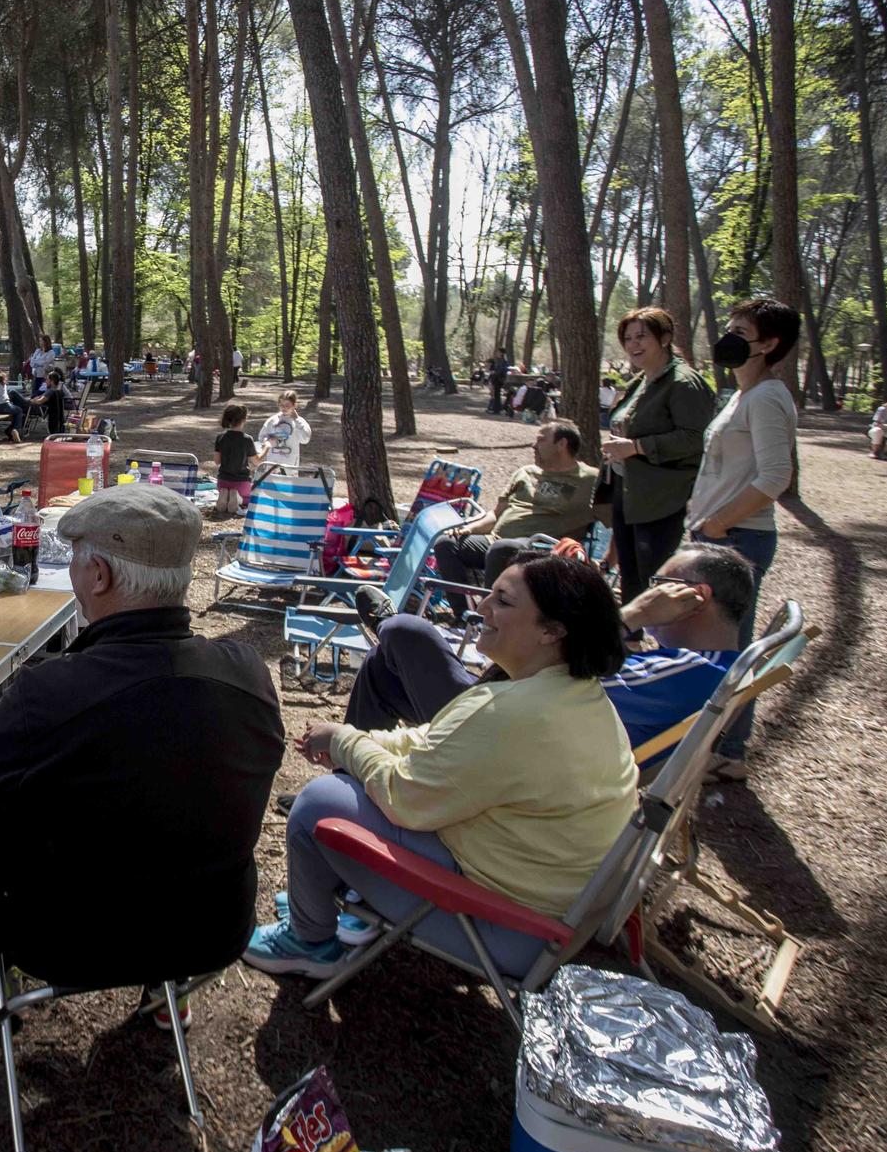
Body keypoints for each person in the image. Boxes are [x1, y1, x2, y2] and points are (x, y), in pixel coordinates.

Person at [0, 483, 285, 1012]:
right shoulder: (248, 673)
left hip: (68, 940)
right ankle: (170, 989)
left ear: (100, 576)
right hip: (211, 929)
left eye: (76, 559)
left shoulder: (48, 695)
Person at [245, 555, 637, 981]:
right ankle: (320, 897)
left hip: (509, 927)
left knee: (318, 805)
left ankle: (309, 940)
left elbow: (405, 796)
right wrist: (357, 742)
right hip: (551, 912)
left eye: (502, 602)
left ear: (552, 630)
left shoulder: (516, 713)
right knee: (353, 778)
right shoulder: (573, 694)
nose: (482, 607)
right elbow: (437, 745)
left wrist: (345, 743)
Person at [345, 545, 752, 775]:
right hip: (528, 730)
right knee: (385, 667)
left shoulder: (695, 671)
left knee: (408, 633)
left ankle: (388, 628)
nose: (649, 592)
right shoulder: (694, 666)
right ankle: (348, 772)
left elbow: (557, 678)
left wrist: (633, 615)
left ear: (696, 597)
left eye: (659, 585)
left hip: (515, 743)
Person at [688, 296, 800, 774]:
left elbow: (776, 476)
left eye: (742, 330)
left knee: (727, 646)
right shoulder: (740, 395)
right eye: (730, 326)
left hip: (737, 539)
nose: (729, 337)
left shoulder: (769, 397)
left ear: (769, 344)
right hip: (711, 538)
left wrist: (720, 524)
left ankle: (729, 751)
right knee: (705, 642)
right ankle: (706, 740)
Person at [601, 307, 718, 603]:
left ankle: (669, 642)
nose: (633, 345)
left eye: (642, 337)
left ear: (664, 338)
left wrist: (637, 447)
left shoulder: (684, 383)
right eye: (627, 339)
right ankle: (630, 640)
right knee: (630, 574)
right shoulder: (639, 382)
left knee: (655, 575)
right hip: (627, 491)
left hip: (661, 497)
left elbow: (695, 438)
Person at [434, 420, 601, 593]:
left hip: (543, 550)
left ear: (562, 444)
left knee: (503, 548)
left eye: (541, 440)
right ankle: (463, 614)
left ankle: (490, 617)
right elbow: (496, 514)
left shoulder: (590, 480)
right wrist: (469, 528)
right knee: (446, 543)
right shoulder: (525, 472)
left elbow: (616, 521)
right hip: (496, 542)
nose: (533, 445)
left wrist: (605, 563)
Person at [214, 402, 258, 517]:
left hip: (222, 481)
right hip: (241, 483)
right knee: (250, 499)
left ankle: (225, 495)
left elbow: (217, 461)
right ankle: (238, 499)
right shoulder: (247, 439)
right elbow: (256, 462)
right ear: (244, 419)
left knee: (226, 488)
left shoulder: (220, 437)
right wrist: (267, 447)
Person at [255, 389, 313, 470]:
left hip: (290, 464)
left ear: (294, 405)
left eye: (287, 405)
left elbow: (305, 439)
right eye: (281, 405)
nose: (284, 408)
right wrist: (267, 440)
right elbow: (261, 437)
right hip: (272, 463)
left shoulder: (299, 421)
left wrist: (297, 420)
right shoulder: (272, 420)